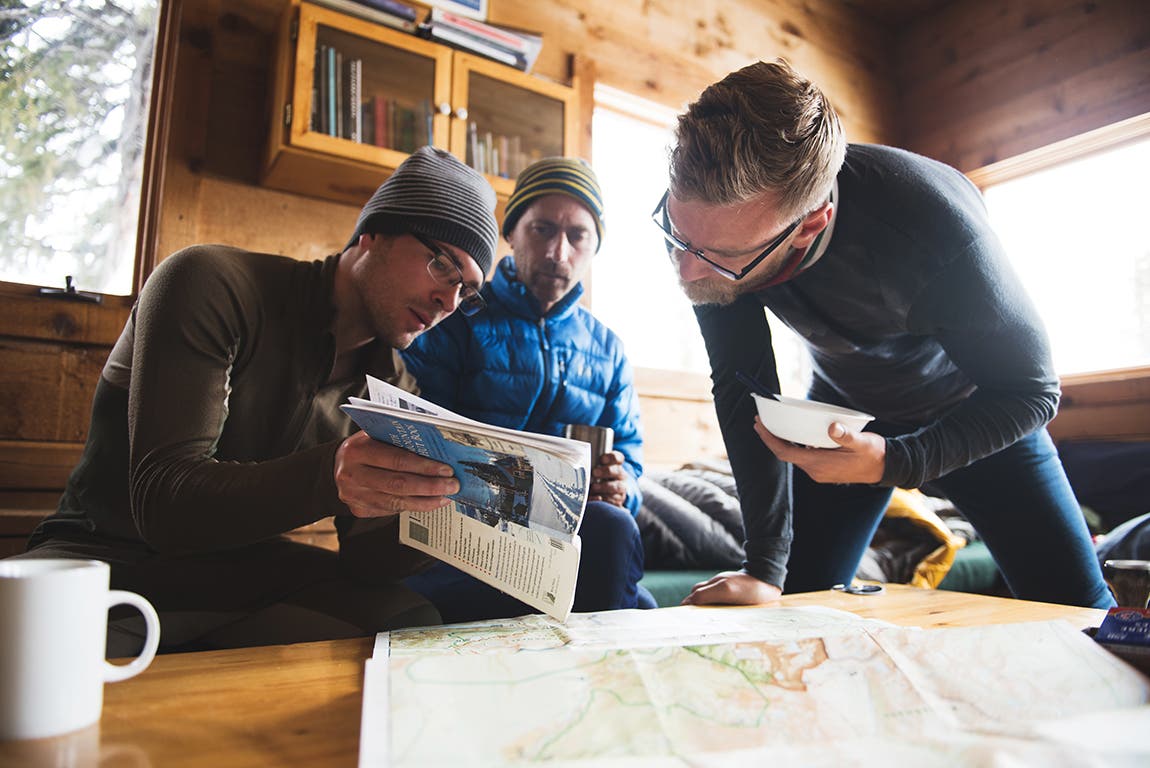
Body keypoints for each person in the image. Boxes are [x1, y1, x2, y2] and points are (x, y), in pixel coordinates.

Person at [654, 59, 1113, 610]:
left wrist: (896, 461)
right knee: (796, 604)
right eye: (677, 235)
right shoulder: (705, 233)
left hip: (974, 411)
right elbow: (739, 381)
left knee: (1079, 611)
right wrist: (764, 567)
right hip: (846, 410)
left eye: (721, 257)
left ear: (810, 224)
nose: (686, 270)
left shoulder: (932, 229)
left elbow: (1033, 390)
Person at [15, 146, 502, 652]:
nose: (448, 301)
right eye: (442, 264)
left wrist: (438, 516)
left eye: (466, 291)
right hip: (98, 557)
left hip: (240, 574)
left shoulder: (394, 386)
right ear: (373, 233)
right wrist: (330, 476)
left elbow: (366, 563)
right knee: (33, 656)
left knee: (409, 622)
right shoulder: (210, 284)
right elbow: (163, 504)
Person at [401, 157, 655, 621]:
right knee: (625, 586)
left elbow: (632, 459)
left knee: (618, 535)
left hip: (569, 546)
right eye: (542, 229)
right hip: (466, 545)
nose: (559, 252)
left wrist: (624, 485)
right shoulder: (455, 319)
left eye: (577, 236)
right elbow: (413, 436)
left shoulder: (609, 350)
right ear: (511, 232)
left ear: (594, 247)